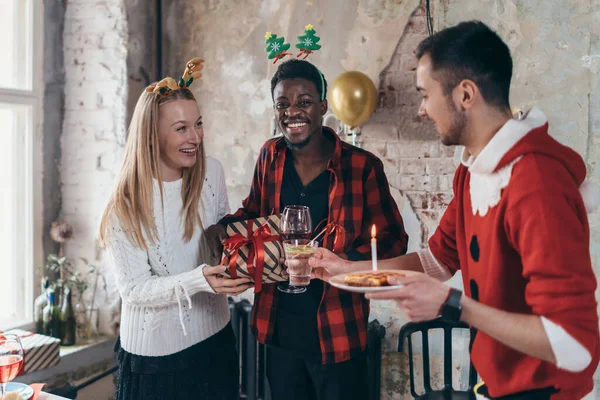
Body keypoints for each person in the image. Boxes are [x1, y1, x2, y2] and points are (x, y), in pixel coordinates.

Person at [309, 21, 600, 400]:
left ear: (465, 94)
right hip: (493, 386)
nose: (421, 109)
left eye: (425, 94)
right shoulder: (471, 172)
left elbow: (575, 345)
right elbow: (438, 260)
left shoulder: (536, 181)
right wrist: (349, 270)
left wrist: (452, 304)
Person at [204, 58, 408, 400]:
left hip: (339, 333)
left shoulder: (361, 167)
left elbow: (393, 241)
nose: (292, 112)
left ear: (323, 107)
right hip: (278, 331)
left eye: (304, 102)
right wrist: (222, 230)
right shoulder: (270, 155)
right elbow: (254, 213)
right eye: (282, 104)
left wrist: (341, 263)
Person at [98, 58, 252, 400]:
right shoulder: (124, 206)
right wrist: (200, 280)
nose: (195, 137)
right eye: (181, 128)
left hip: (217, 342)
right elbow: (135, 289)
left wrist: (239, 264)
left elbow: (219, 240)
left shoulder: (211, 173)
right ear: (152, 137)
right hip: (155, 363)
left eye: (198, 124)